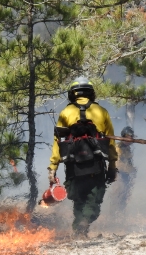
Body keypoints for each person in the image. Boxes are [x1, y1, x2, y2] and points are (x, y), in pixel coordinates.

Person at [47, 76, 118, 238]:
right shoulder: (101, 112)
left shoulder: (66, 112)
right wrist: (113, 166)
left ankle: (79, 229)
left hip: (73, 166)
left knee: (78, 199)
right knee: (94, 200)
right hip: (97, 165)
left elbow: (57, 142)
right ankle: (82, 226)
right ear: (91, 93)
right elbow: (111, 142)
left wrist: (53, 168)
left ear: (73, 93)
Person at [109, 126, 136, 218]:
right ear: (124, 136)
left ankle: (120, 216)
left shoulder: (127, 149)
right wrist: (129, 169)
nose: (131, 139)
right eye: (129, 137)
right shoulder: (118, 148)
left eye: (132, 137)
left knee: (124, 196)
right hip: (118, 175)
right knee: (117, 195)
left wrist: (132, 169)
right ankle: (112, 216)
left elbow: (129, 161)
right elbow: (118, 164)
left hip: (126, 175)